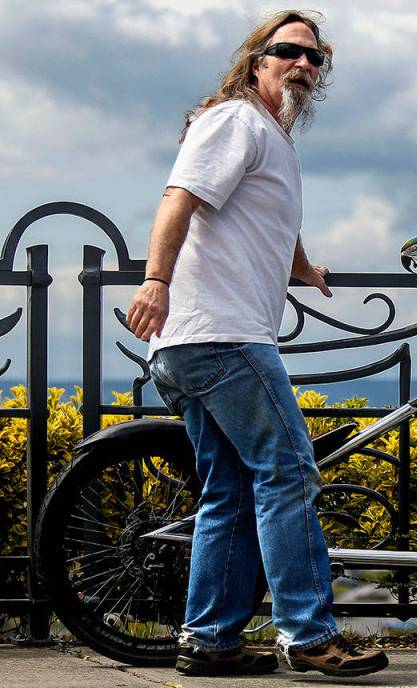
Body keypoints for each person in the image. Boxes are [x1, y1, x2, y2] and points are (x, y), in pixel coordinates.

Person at [125, 10, 388, 678]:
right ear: (256, 59)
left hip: (194, 345)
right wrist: (154, 279)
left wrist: (301, 265)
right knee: (291, 471)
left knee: (230, 491)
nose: (303, 63)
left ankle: (208, 641)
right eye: (289, 51)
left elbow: (266, 214)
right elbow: (178, 198)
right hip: (222, 336)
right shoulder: (235, 120)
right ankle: (309, 634)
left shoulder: (270, 135)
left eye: (314, 56)